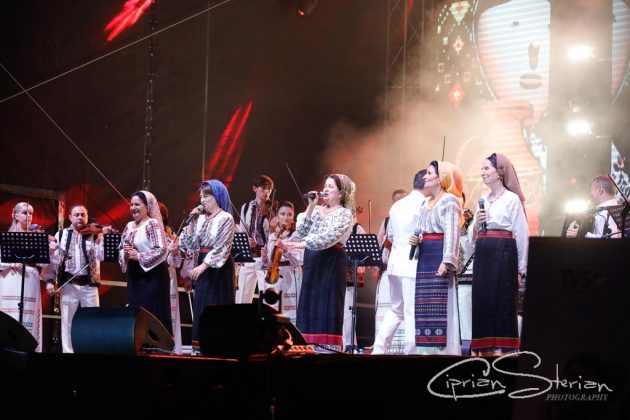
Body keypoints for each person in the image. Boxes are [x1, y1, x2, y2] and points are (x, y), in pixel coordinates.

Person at [285, 174, 355, 352]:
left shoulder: (344, 214)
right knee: (308, 301)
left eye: (331, 186)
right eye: (325, 186)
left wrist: (302, 244)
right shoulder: (316, 210)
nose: (325, 189)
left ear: (341, 193)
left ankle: (327, 348)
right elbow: (301, 230)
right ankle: (306, 345)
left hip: (331, 260)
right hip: (312, 259)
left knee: (328, 303)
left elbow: (329, 238)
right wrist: (310, 206)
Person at [470, 153, 528, 356]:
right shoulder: (483, 200)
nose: (482, 172)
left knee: (502, 301)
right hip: (483, 253)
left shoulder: (512, 199)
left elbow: (521, 234)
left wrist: (521, 269)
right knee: (482, 300)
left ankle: (504, 352)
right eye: (482, 169)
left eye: (486, 168)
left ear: (500, 172)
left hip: (504, 252)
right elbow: (472, 236)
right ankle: (484, 350)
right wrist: (477, 222)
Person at [410, 161, 463, 356]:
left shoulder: (450, 200)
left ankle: (444, 352)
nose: (425, 177)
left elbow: (452, 232)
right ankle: (426, 350)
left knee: (440, 304)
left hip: (439, 255)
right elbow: (421, 230)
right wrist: (416, 240)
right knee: (424, 305)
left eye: (429, 173)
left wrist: (446, 261)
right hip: (425, 256)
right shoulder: (425, 202)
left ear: (441, 178)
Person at [372, 171, 428, 355]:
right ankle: (411, 353)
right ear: (426, 184)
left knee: (396, 310)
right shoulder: (424, 204)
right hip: (412, 265)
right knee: (411, 311)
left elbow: (391, 235)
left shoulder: (397, 205)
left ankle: (379, 349)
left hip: (395, 265)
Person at [178, 180, 235, 347]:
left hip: (218, 268)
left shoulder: (226, 218)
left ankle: (218, 346)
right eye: (201, 196)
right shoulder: (200, 219)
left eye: (206, 196)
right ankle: (200, 345)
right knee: (201, 306)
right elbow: (189, 245)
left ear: (217, 196)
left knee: (216, 306)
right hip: (202, 265)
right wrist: (191, 224)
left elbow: (222, 247)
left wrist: (202, 267)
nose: (202, 200)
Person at [44, 204, 108, 353]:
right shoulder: (61, 235)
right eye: (76, 215)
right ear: (70, 217)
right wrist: (49, 281)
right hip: (68, 284)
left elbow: (102, 256)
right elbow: (53, 261)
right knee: (67, 322)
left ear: (87, 217)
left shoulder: (94, 234)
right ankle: (68, 352)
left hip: (89, 285)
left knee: (92, 320)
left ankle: (91, 352)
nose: (80, 217)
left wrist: (102, 238)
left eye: (83, 215)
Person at [118, 190, 172, 335]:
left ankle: (154, 343)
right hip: (135, 276)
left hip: (152, 277)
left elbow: (162, 249)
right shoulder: (129, 225)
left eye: (137, 204)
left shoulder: (152, 224)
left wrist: (139, 256)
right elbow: (121, 248)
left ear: (147, 207)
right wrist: (125, 253)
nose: (133, 208)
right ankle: (138, 342)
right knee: (136, 311)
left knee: (151, 312)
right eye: (131, 204)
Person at [0, 202, 44, 351]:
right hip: (11, 278)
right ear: (15, 215)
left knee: (28, 313)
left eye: (31, 213)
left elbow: (43, 262)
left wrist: (50, 250)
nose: (29, 216)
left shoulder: (36, 236)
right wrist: (12, 263)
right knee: (10, 312)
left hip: (30, 277)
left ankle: (28, 347)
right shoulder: (8, 236)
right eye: (25, 213)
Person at [235, 174, 274, 304]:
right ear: (254, 188)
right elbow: (242, 231)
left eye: (269, 189)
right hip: (249, 258)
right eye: (263, 188)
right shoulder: (246, 207)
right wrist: (247, 241)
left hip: (265, 259)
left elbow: (275, 235)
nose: (266, 192)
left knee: (268, 300)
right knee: (241, 299)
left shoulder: (273, 208)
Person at [264, 201, 303, 325]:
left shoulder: (296, 236)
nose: (286, 217)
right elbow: (268, 262)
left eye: (289, 214)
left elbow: (298, 259)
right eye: (282, 214)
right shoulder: (272, 236)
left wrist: (285, 248)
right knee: (272, 311)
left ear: (293, 217)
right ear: (277, 216)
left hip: (291, 274)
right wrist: (264, 257)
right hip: (273, 276)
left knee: (290, 313)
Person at [159, 202, 183, 354]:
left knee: (171, 313)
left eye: (160, 214)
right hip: (155, 275)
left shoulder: (171, 234)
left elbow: (177, 262)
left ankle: (173, 348)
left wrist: (174, 253)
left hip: (169, 275)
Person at [342, 216, 366, 351]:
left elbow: (364, 252)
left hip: (349, 274)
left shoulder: (357, 229)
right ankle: (337, 343)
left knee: (348, 311)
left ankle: (349, 345)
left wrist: (361, 263)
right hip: (334, 271)